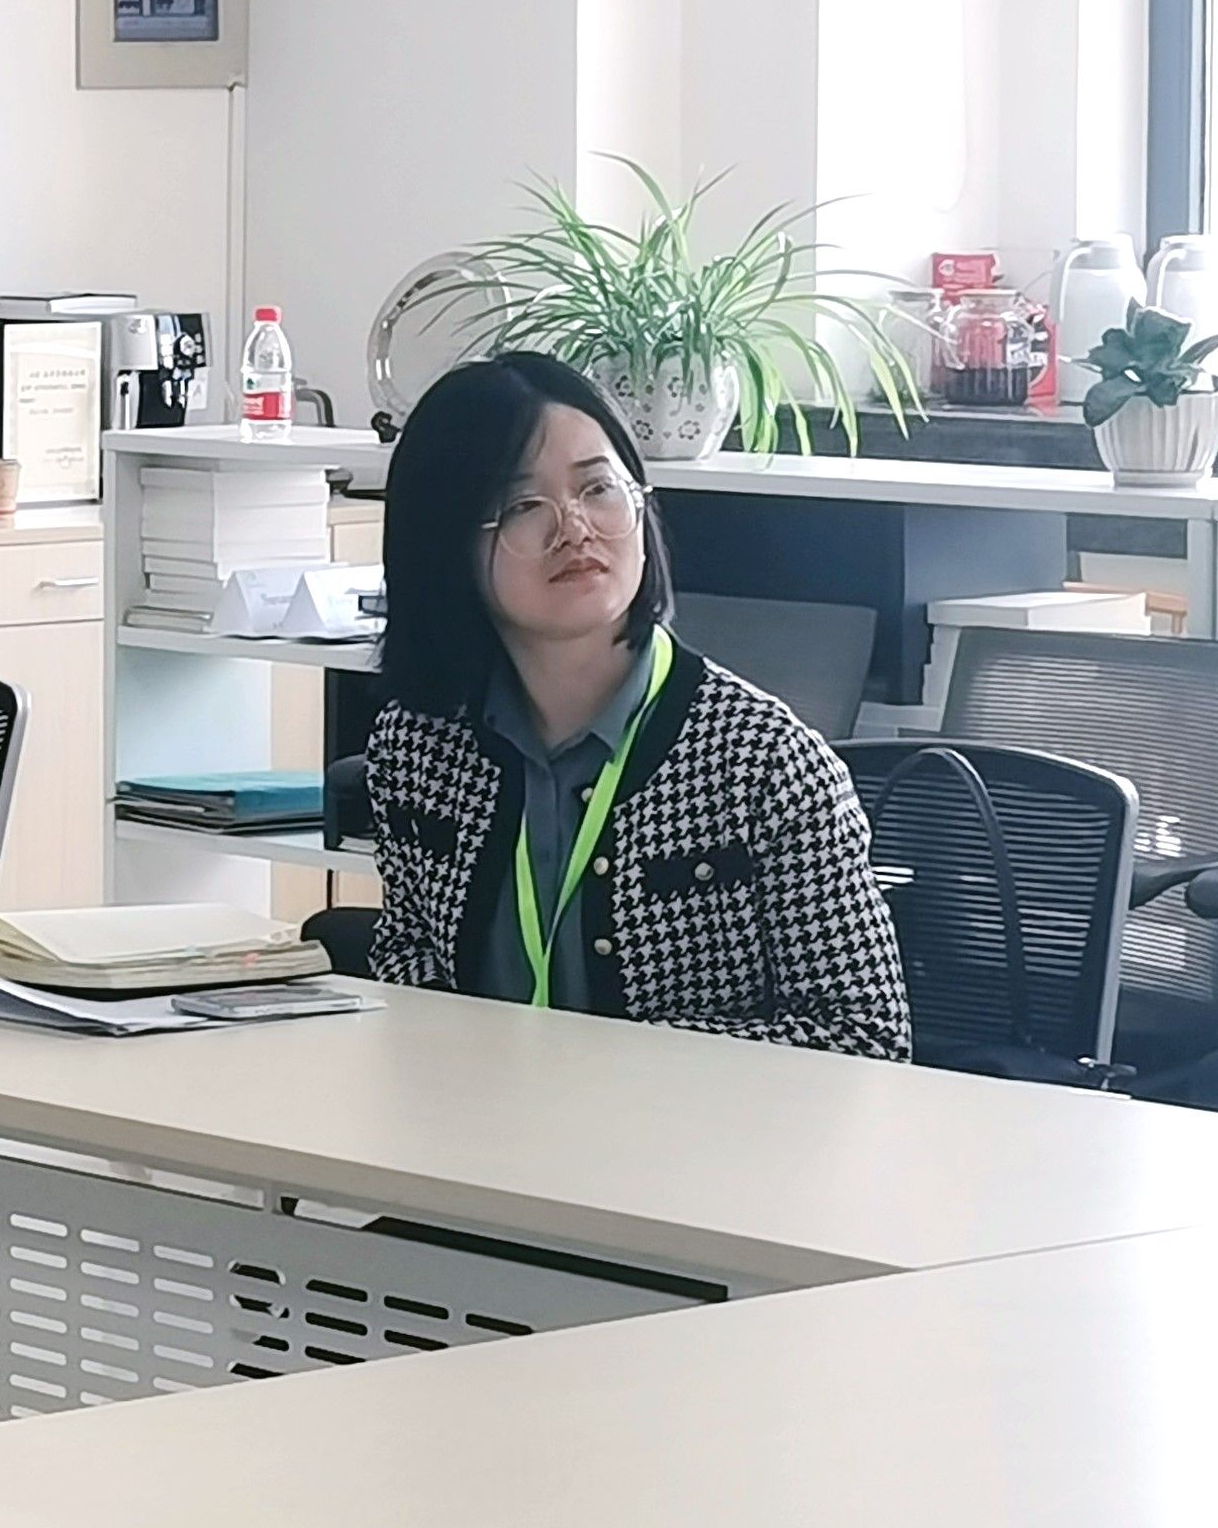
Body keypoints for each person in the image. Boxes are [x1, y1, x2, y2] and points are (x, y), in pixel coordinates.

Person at [359, 353, 906, 1058]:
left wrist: (615, 1067)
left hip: (689, 1130)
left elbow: (864, 1037)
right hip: (475, 1120)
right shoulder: (419, 744)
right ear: (445, 543)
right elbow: (407, 953)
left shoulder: (766, 765)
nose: (574, 528)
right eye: (523, 506)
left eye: (598, 489)